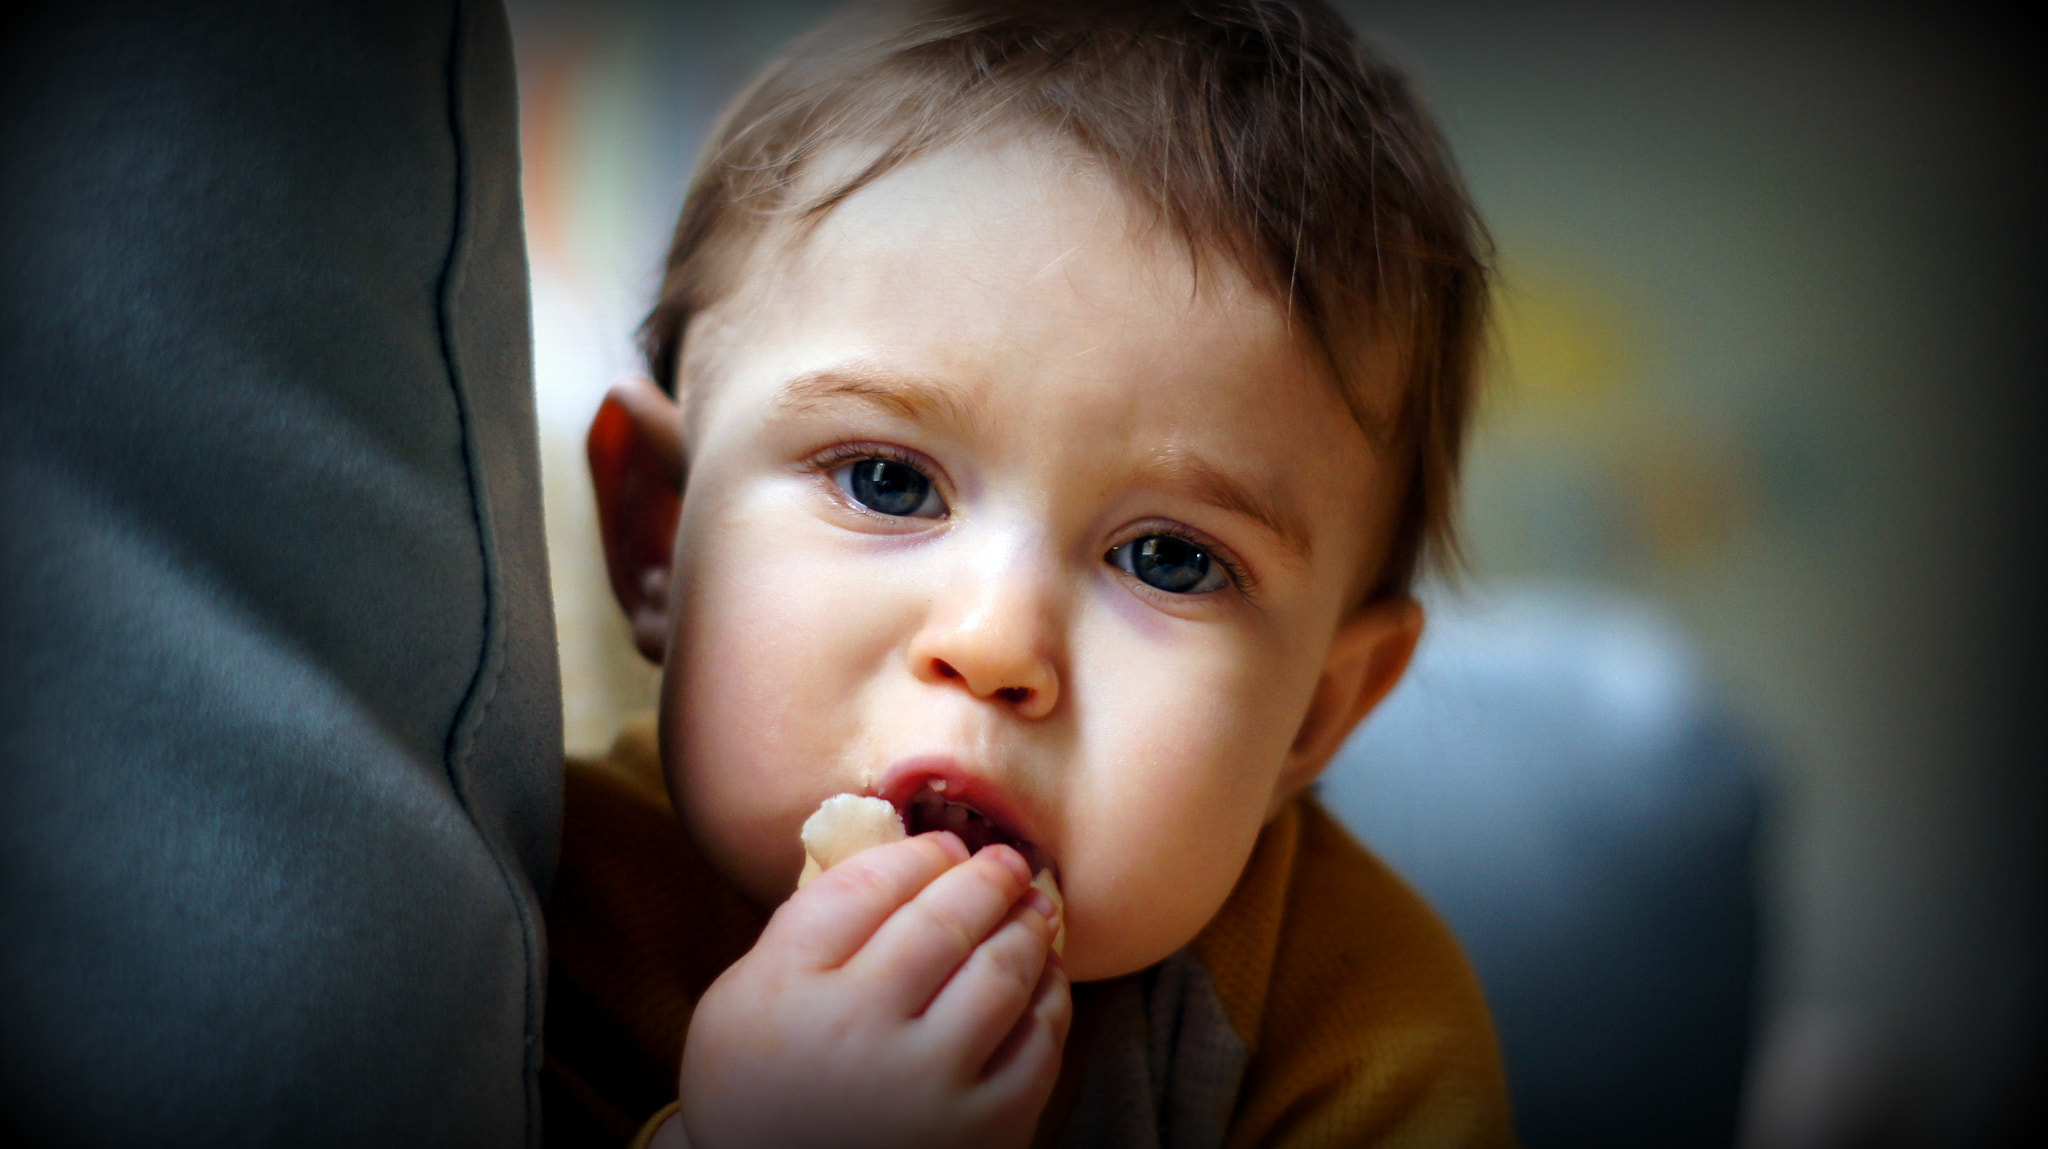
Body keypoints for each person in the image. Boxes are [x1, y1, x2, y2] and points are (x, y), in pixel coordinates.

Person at [542, 1, 1512, 1145]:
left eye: (1169, 558)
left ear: (1316, 711)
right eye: (886, 483)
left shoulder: (1351, 1023)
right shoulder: (534, 913)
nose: (997, 642)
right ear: (659, 534)